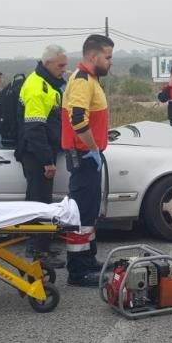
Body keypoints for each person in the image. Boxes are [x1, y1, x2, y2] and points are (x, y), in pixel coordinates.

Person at [60, 34, 113, 287]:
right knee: (81, 213)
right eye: (108, 57)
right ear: (94, 57)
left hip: (88, 154)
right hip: (83, 155)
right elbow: (78, 119)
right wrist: (92, 148)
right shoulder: (82, 81)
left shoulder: (89, 79)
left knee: (89, 211)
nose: (110, 62)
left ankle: (89, 260)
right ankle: (78, 272)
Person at [16, 45, 69, 268]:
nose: (64, 70)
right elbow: (35, 129)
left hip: (43, 151)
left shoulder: (48, 84)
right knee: (38, 201)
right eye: (61, 65)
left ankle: (43, 244)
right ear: (47, 63)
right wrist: (47, 161)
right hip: (36, 155)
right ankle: (38, 250)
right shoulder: (38, 88)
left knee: (43, 201)